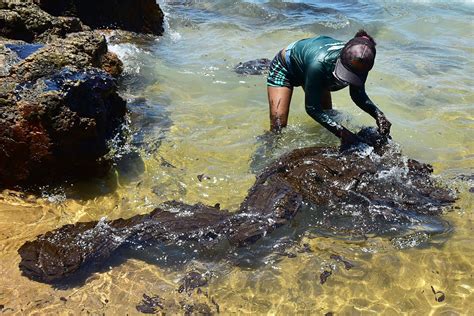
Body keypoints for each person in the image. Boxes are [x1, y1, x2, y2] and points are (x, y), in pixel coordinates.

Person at [266, 30, 391, 147]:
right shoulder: (320, 64)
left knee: (328, 114)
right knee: (278, 126)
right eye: (346, 72)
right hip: (286, 67)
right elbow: (312, 108)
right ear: (340, 58)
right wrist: (344, 134)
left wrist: (378, 114)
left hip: (313, 66)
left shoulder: (362, 61)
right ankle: (265, 150)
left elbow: (357, 94)